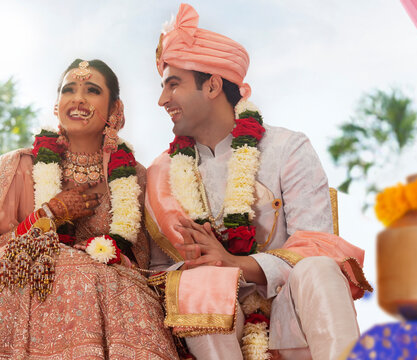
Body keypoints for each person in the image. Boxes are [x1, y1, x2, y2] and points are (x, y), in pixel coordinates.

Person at [146, 4, 372, 360]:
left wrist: (233, 262)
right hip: (216, 323)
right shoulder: (162, 173)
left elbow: (316, 245)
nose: (162, 100)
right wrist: (203, 264)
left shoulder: (286, 148)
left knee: (320, 268)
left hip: (289, 313)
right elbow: (157, 270)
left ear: (213, 86)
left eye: (173, 85)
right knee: (197, 281)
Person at [0, 59, 178, 359]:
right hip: (22, 287)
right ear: (56, 104)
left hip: (107, 298)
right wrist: (48, 215)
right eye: (68, 89)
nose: (78, 99)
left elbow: (140, 258)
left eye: (92, 90)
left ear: (115, 109)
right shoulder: (21, 166)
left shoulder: (134, 176)